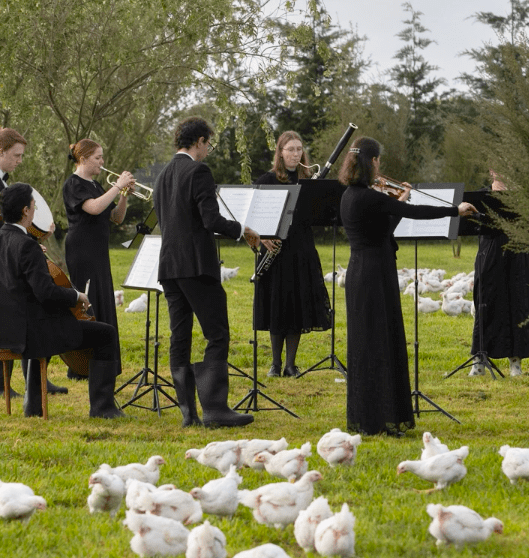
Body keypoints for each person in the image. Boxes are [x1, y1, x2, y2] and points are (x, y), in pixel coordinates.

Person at [339, 137, 477, 436]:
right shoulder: (370, 197)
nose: (379, 166)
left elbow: (384, 227)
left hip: (361, 272)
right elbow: (416, 213)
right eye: (378, 161)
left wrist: (398, 201)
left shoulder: (351, 195)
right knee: (380, 343)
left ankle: (372, 417)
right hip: (374, 274)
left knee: (368, 344)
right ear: (372, 161)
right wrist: (455, 210)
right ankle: (380, 419)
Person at [0, 183, 124, 419]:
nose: (34, 210)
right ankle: (103, 407)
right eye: (33, 206)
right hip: (30, 334)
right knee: (105, 334)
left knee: (41, 326)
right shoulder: (27, 245)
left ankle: (33, 405)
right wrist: (77, 296)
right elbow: (45, 293)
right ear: (25, 211)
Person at [155, 117, 262, 429]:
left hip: (169, 266)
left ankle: (189, 414)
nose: (207, 150)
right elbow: (211, 220)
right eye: (207, 144)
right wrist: (243, 229)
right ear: (199, 141)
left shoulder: (163, 175)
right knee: (216, 333)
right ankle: (215, 409)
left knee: (180, 336)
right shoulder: (197, 170)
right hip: (197, 266)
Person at [0, 128, 68, 399]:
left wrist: (33, 235)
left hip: (5, 259)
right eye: (16, 155)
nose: (20, 161)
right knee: (2, 318)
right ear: (0, 152)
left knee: (24, 314)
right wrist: (25, 244)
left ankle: (35, 381)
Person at [252, 130, 331, 377]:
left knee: (298, 304)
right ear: (280, 153)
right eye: (291, 150)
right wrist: (262, 238)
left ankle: (290, 365)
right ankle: (275, 364)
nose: (296, 154)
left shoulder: (308, 182)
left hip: (301, 249)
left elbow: (318, 215)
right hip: (274, 250)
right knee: (277, 304)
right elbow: (252, 217)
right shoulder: (267, 180)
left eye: (299, 149)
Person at [62, 139, 134, 380]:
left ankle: (104, 364)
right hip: (81, 251)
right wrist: (117, 187)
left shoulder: (97, 185)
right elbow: (92, 208)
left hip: (98, 252)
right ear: (83, 159)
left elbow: (116, 217)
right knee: (88, 303)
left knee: (103, 300)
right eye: (98, 158)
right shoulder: (74, 184)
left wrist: (123, 195)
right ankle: (82, 367)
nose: (102, 163)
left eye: (102, 158)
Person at [468, 171, 529, 377]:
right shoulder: (481, 196)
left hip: (517, 254)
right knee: (485, 303)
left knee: (518, 303)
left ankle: (515, 362)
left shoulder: (523, 197)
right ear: (491, 170)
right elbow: (474, 225)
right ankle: (479, 360)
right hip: (490, 253)